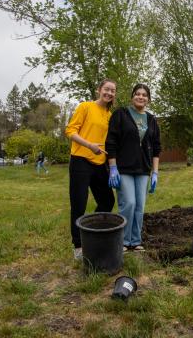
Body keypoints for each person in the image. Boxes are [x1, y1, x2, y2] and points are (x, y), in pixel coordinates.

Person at [65, 78, 116, 260]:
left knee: (107, 200)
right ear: (99, 89)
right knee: (78, 203)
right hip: (80, 160)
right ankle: (78, 245)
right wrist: (89, 145)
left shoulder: (109, 115)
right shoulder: (85, 107)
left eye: (112, 91)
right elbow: (70, 131)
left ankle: (89, 230)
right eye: (106, 89)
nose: (109, 93)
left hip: (99, 163)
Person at [106, 83, 161, 252]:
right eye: (137, 93)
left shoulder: (152, 120)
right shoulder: (121, 114)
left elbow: (157, 147)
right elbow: (111, 142)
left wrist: (155, 172)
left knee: (140, 206)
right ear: (132, 97)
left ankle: (135, 241)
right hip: (123, 168)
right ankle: (123, 241)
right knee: (128, 203)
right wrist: (113, 167)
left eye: (144, 95)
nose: (141, 97)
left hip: (143, 169)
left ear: (148, 99)